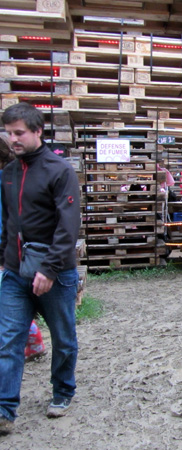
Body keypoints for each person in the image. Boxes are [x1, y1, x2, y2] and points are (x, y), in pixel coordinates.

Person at [0, 102, 81, 434]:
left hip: (56, 274)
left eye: (19, 133)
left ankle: (62, 391)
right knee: (8, 340)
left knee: (63, 338)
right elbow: (7, 224)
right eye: (8, 133)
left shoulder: (60, 171)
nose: (12, 139)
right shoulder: (7, 174)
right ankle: (5, 409)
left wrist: (48, 270)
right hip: (14, 273)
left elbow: (68, 227)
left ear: (37, 131)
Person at [0, 134, 46, 361]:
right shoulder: (14, 177)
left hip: (12, 252)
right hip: (18, 251)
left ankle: (31, 338)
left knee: (9, 306)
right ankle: (32, 337)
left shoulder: (8, 179)